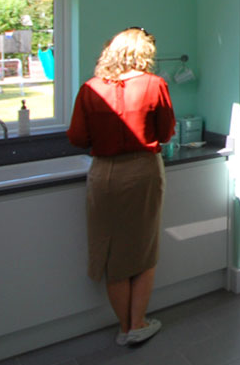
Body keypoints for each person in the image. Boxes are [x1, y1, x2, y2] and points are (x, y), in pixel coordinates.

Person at [67, 27, 175, 346]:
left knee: (112, 251)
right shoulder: (154, 85)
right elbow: (165, 133)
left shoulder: (91, 88)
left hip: (102, 174)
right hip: (142, 171)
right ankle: (137, 324)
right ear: (143, 54)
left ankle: (125, 326)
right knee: (143, 248)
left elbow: (77, 137)